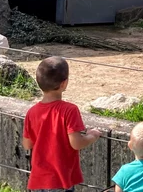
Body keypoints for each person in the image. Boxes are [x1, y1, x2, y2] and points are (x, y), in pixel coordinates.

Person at [23, 56, 102, 191]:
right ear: (64, 84)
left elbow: (27, 144)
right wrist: (92, 135)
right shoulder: (69, 110)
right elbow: (76, 143)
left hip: (38, 179)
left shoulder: (32, 112)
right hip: (60, 179)